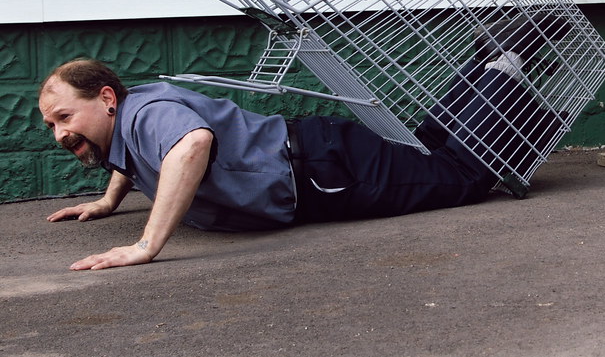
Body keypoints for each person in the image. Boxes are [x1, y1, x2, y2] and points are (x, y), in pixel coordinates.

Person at [40, 17, 569, 271]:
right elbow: (142, 154)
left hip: (321, 171)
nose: (60, 133)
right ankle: (490, 62)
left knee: (461, 178)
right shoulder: (130, 120)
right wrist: (111, 199)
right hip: (318, 157)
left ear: (106, 97)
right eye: (51, 126)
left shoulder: (149, 114)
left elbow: (190, 145)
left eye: (65, 117)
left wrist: (145, 245)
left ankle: (504, 67)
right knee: (431, 150)